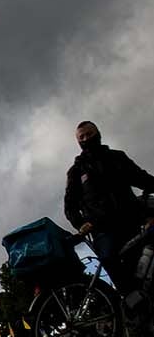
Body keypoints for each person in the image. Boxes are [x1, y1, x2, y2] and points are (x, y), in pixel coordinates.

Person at [64, 120, 154, 297]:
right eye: (82, 137)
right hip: (103, 231)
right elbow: (70, 206)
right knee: (109, 258)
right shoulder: (76, 171)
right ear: (78, 142)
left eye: (89, 134)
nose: (86, 138)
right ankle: (130, 301)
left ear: (98, 134)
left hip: (131, 222)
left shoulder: (117, 158)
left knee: (142, 268)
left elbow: (141, 178)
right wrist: (81, 224)